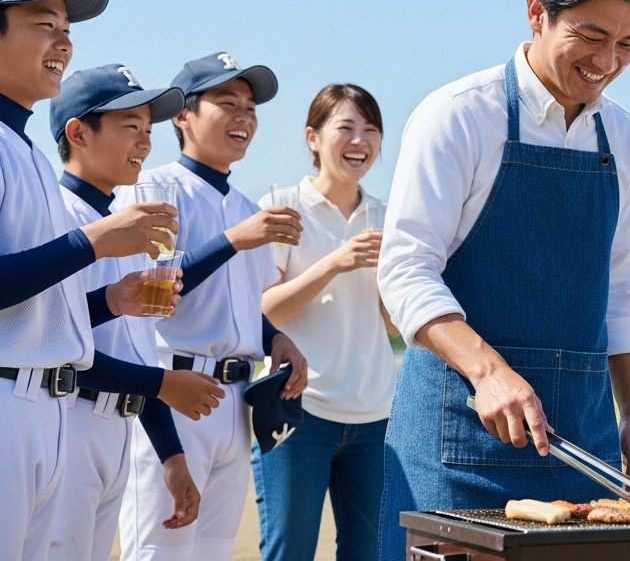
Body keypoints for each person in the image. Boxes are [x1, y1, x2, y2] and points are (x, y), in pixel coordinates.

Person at [378, 0, 630, 554]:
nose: (607, 63)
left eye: (627, 43)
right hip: (458, 443)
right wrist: (487, 372)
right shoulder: (458, 115)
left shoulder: (624, 137)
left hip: (583, 448)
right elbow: (405, 271)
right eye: (591, 36)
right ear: (538, 11)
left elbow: (622, 289)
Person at [0, 0, 190, 560]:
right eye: (42, 23)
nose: (61, 43)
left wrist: (111, 298)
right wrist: (93, 244)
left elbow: (39, 309)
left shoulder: (22, 147)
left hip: (47, 411)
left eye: (66, 31)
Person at [116, 52, 310, 561]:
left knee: (211, 553)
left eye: (250, 106)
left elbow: (244, 306)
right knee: (160, 552)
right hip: (172, 392)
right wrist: (231, 241)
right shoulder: (155, 187)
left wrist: (275, 338)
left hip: (235, 400)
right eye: (227, 102)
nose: (243, 115)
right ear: (183, 115)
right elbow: (149, 295)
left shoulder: (248, 209)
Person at [48, 64, 237, 561]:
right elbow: (56, 341)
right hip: (67, 417)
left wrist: (172, 456)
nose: (144, 141)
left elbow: (138, 350)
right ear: (78, 133)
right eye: (129, 126)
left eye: (148, 130)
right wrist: (162, 387)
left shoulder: (122, 228)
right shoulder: (60, 216)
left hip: (116, 427)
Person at [253, 84, 396, 561]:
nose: (360, 141)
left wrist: (388, 280)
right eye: (346, 128)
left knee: (369, 553)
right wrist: (334, 262)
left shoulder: (387, 218)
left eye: (371, 130)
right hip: (298, 411)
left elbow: (394, 327)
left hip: (373, 416)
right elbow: (262, 312)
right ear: (313, 138)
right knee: (289, 552)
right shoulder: (280, 206)